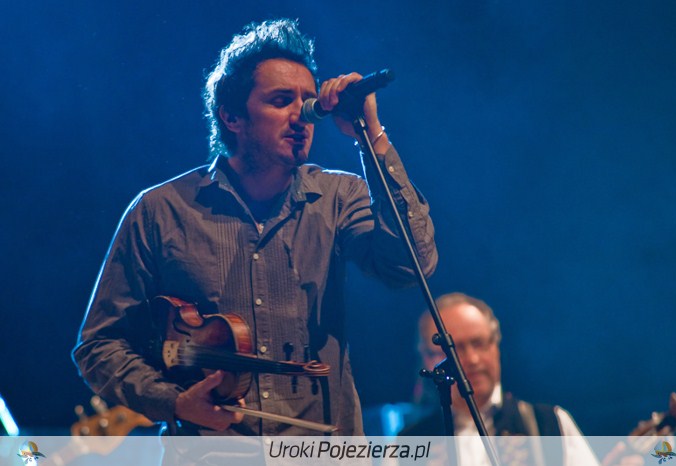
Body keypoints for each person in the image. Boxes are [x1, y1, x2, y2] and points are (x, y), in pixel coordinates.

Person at [72, 18, 437, 437]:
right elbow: (98, 345)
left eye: (308, 102)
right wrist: (174, 402)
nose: (301, 116)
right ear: (232, 116)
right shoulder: (160, 210)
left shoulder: (339, 196)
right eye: (281, 101)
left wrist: (370, 135)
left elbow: (412, 266)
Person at [400, 292, 603, 466]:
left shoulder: (549, 423)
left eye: (479, 343)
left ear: (496, 346)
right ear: (428, 359)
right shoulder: (407, 444)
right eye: (456, 348)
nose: (472, 359)